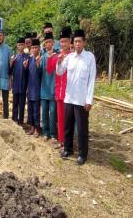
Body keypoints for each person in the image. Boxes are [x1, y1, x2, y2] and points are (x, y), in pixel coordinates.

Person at [57, 29, 96, 165]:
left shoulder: (90, 58)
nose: (77, 44)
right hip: (69, 97)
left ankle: (83, 154)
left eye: (80, 41)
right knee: (68, 126)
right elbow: (60, 71)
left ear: (84, 42)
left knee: (82, 128)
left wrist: (89, 100)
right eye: (76, 41)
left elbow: (91, 80)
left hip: (81, 99)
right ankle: (68, 149)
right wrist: (59, 62)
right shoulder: (69, 57)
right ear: (73, 43)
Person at [54, 26, 72, 150]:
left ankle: (67, 142)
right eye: (61, 41)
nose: (63, 44)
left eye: (65, 41)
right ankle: (61, 140)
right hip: (59, 92)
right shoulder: (59, 56)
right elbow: (57, 73)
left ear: (70, 41)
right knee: (60, 118)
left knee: (68, 120)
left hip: (69, 93)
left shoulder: (73, 56)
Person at [40, 32, 58, 141]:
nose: (48, 44)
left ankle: (53, 134)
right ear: (44, 44)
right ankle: (45, 132)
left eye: (50, 42)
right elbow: (38, 73)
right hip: (43, 90)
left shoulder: (57, 56)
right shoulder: (42, 57)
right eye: (46, 42)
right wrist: (37, 65)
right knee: (44, 113)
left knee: (52, 114)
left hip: (53, 90)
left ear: (53, 43)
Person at [25, 38, 42, 137]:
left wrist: (38, 64)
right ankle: (32, 127)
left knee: (36, 110)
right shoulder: (30, 59)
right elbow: (27, 74)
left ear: (39, 48)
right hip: (30, 87)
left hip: (37, 88)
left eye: (36, 48)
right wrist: (25, 66)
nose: (34, 49)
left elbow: (41, 74)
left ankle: (37, 129)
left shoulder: (41, 58)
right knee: (30, 109)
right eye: (33, 48)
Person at [11, 37, 28, 125]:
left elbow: (29, 72)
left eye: (21, 45)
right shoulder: (14, 57)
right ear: (17, 46)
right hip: (15, 84)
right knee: (15, 104)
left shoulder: (27, 57)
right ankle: (14, 120)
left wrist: (25, 67)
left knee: (21, 105)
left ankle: (20, 122)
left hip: (23, 85)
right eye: (18, 45)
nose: (20, 46)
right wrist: (11, 63)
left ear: (24, 45)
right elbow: (9, 71)